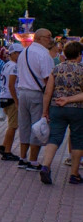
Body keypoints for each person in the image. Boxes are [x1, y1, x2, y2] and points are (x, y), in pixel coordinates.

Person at [39, 41, 83, 184]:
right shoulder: (82, 69)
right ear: (79, 55)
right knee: (77, 140)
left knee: (54, 137)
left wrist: (45, 111)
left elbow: (48, 92)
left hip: (56, 107)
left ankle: (46, 166)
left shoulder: (56, 69)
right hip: (78, 109)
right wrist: (69, 99)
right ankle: (74, 174)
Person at [16, 29, 55, 171]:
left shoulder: (24, 52)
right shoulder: (44, 54)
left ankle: (22, 158)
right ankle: (33, 161)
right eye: (48, 37)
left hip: (23, 92)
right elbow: (47, 79)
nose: (50, 40)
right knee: (38, 126)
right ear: (38, 38)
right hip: (37, 94)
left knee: (24, 126)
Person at [0, 43, 23, 161]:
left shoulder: (6, 64)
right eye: (19, 53)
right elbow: (11, 85)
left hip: (3, 96)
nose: (20, 56)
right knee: (13, 126)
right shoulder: (14, 67)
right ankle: (7, 151)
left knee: (11, 124)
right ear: (13, 54)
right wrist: (16, 100)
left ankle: (4, 146)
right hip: (11, 97)